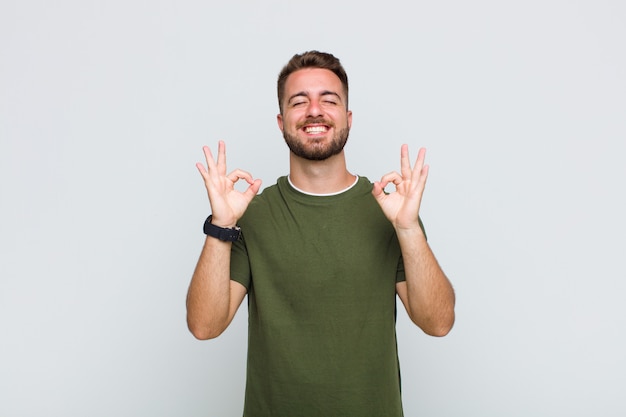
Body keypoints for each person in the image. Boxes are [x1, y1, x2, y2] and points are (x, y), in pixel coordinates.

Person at [186, 51, 455, 417]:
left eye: (329, 100)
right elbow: (204, 326)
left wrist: (408, 229)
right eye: (300, 101)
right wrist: (220, 224)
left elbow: (438, 323)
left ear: (348, 118)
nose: (315, 110)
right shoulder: (252, 215)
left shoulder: (390, 211)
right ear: (282, 121)